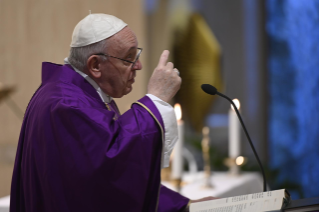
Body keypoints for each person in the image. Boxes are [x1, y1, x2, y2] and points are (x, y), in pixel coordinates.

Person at [10, 13, 214, 212]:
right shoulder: (66, 105)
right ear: (95, 65)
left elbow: (121, 186)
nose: (139, 66)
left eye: (137, 56)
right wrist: (155, 99)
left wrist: (183, 205)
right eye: (128, 58)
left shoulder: (83, 95)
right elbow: (111, 171)